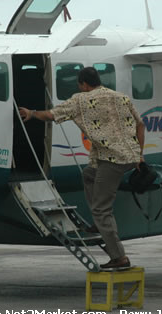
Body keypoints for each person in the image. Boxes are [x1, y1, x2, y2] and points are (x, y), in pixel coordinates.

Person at [19, 67, 145, 269]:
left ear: (84, 84)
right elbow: (141, 125)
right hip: (129, 157)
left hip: (112, 160)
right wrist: (140, 155)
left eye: (80, 85)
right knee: (88, 174)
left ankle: (119, 257)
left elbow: (52, 115)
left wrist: (31, 113)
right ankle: (98, 222)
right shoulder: (120, 97)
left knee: (102, 208)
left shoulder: (81, 100)